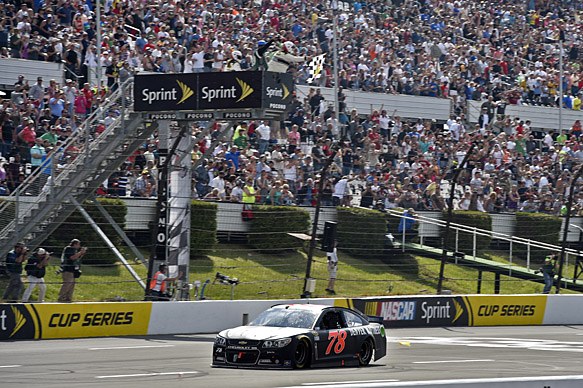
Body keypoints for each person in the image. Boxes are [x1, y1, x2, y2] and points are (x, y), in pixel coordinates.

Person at [57, 239, 87, 303]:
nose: (79, 246)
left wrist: (82, 254)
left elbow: (77, 259)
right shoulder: (69, 249)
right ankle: (61, 297)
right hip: (67, 270)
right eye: (78, 244)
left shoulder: (75, 251)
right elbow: (72, 257)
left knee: (72, 285)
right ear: (74, 244)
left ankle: (68, 298)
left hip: (73, 270)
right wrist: (80, 252)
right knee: (67, 284)